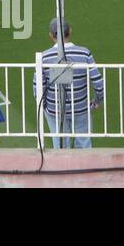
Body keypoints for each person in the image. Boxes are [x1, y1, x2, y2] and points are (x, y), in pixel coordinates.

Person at [38, 18, 103, 148]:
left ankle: (63, 167)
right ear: (70, 31)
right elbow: (98, 83)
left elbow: (37, 88)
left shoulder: (45, 57)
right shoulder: (84, 53)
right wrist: (96, 102)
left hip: (54, 109)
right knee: (84, 145)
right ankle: (85, 167)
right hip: (80, 108)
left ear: (51, 35)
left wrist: (46, 106)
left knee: (60, 146)